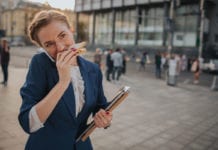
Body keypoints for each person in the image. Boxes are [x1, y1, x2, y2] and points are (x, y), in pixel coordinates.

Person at [18, 10, 112, 150]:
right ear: (42, 48)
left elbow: (101, 105)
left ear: (71, 30)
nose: (60, 48)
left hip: (81, 145)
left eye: (62, 35)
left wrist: (105, 119)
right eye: (49, 44)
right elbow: (28, 123)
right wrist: (63, 82)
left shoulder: (93, 69)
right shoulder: (40, 63)